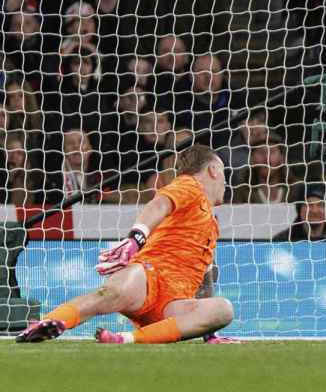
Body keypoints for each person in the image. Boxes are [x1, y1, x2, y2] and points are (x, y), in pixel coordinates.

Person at [16, 145, 234, 344]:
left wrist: (209, 332)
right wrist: (135, 238)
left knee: (223, 309)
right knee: (112, 292)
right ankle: (50, 322)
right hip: (149, 278)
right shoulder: (190, 185)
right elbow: (159, 204)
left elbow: (206, 278)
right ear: (213, 170)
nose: (226, 181)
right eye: (224, 173)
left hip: (173, 305)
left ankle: (125, 339)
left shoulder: (211, 224)